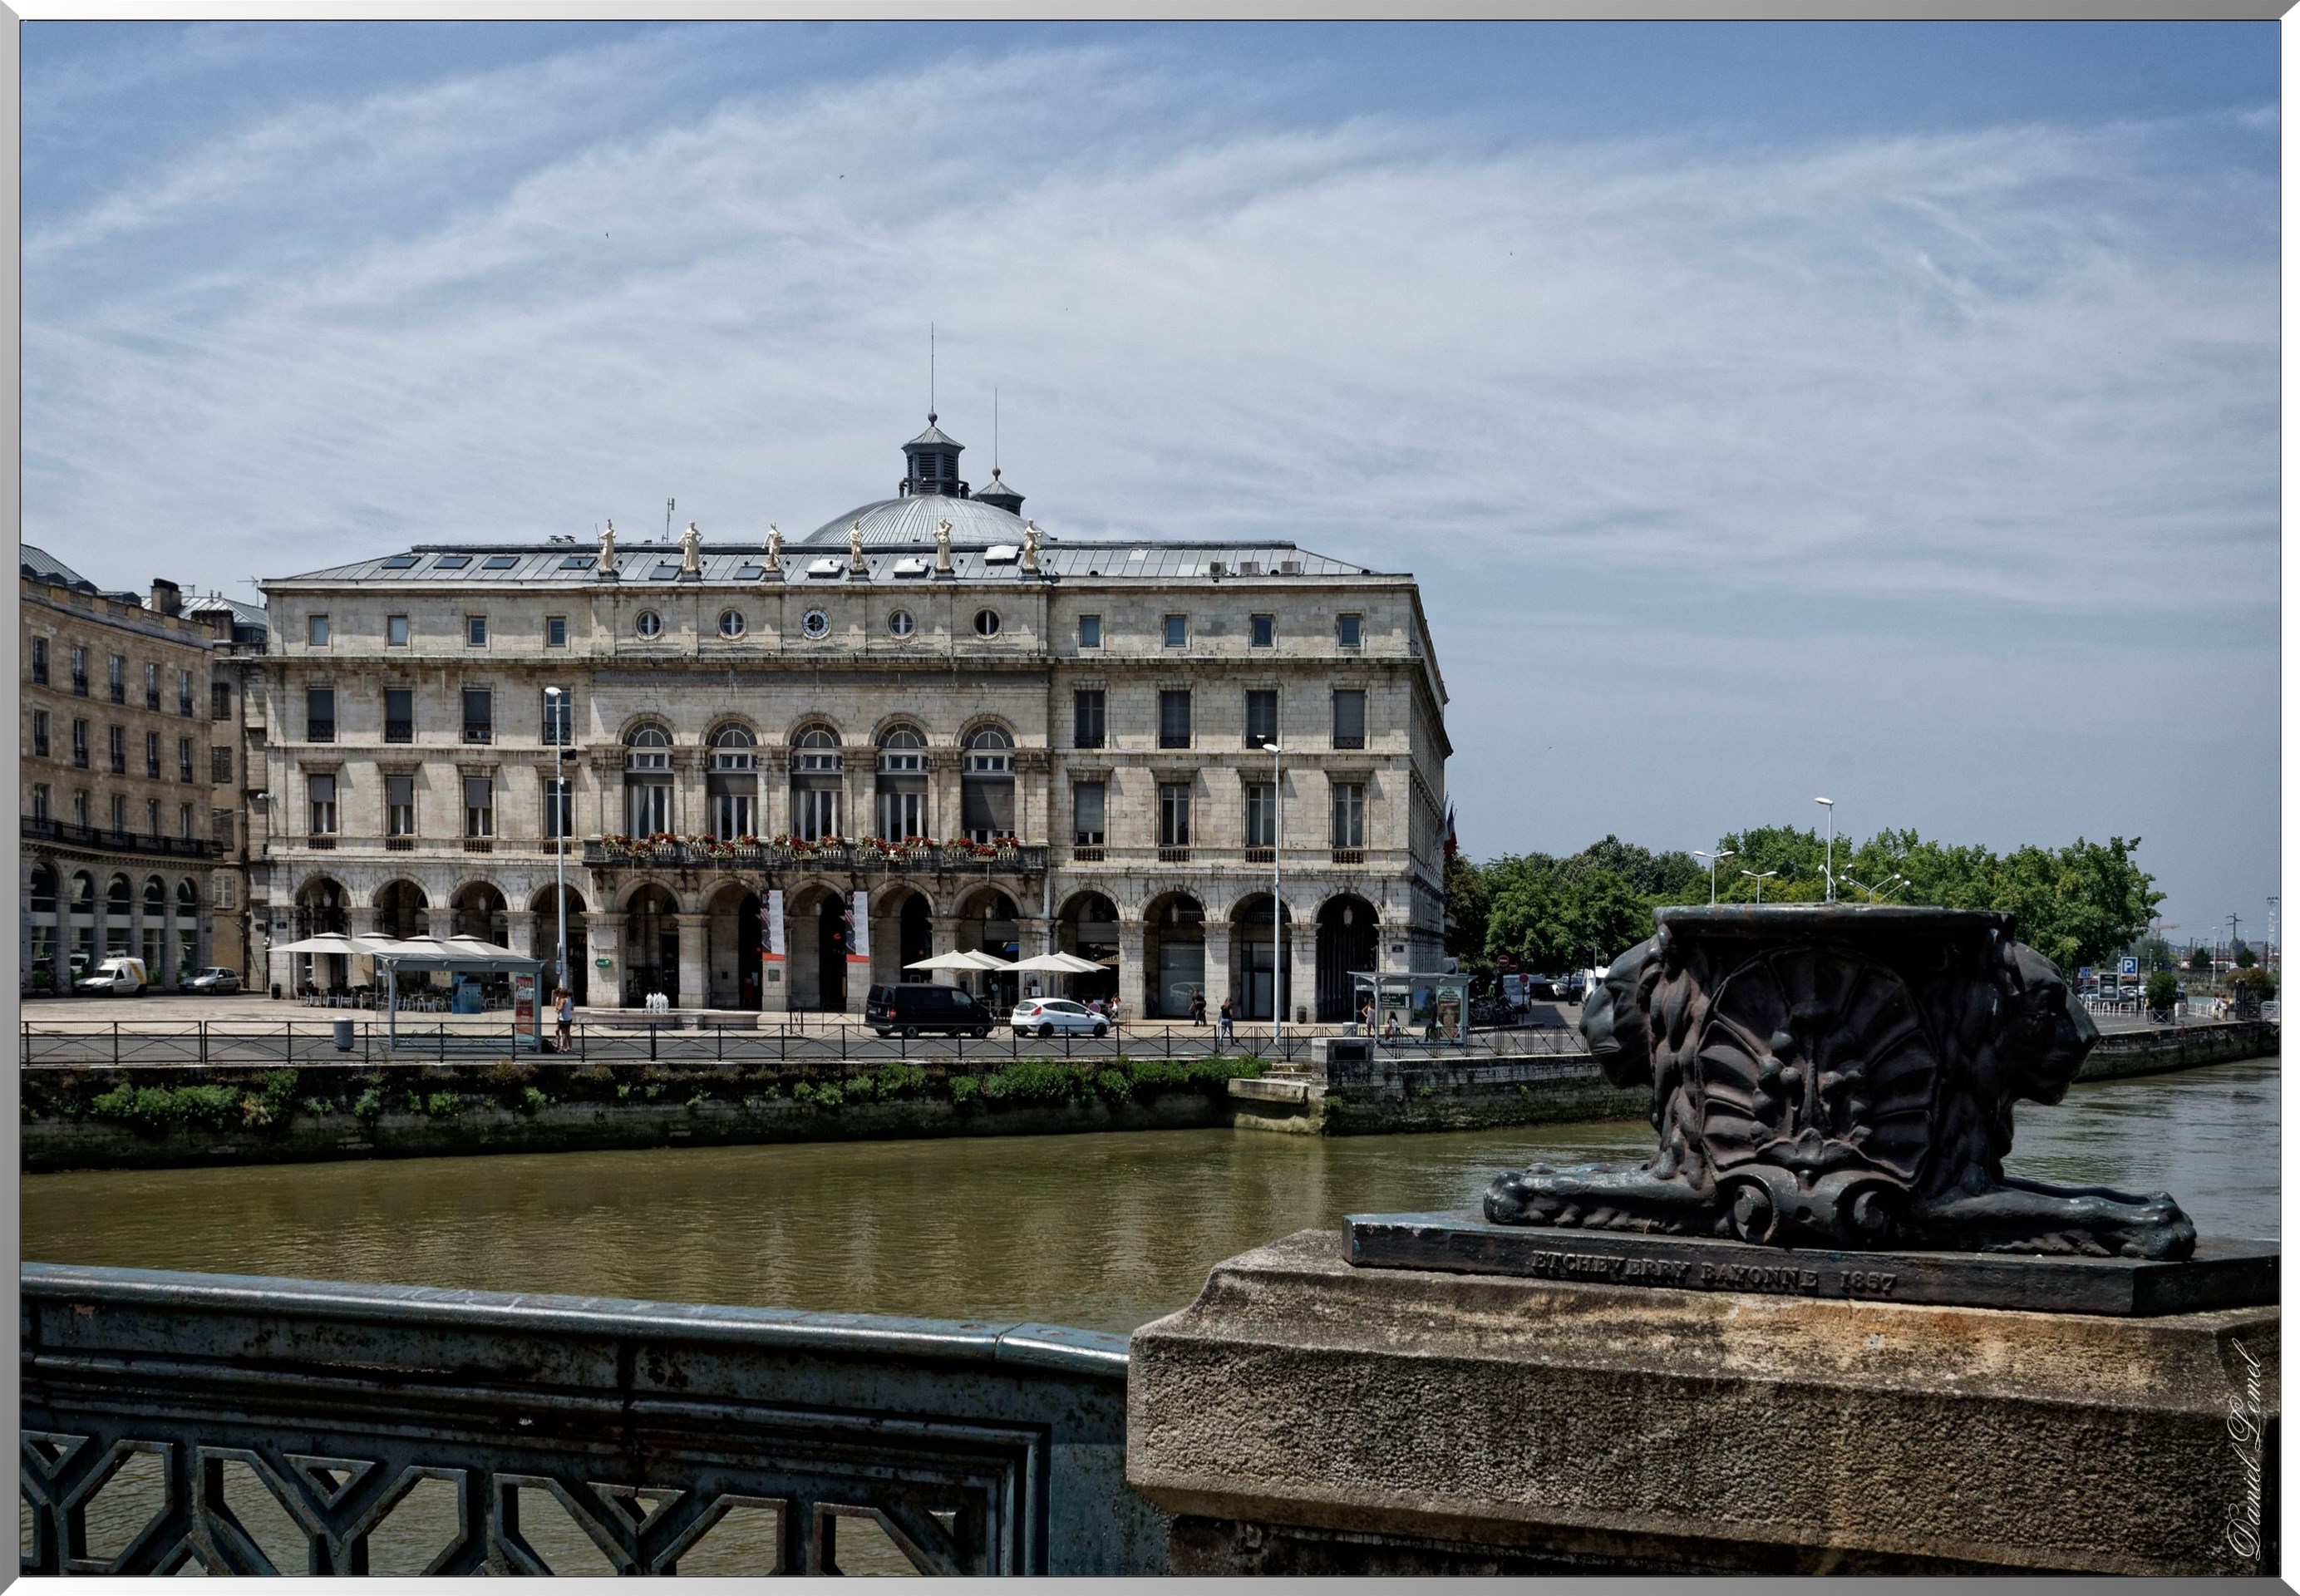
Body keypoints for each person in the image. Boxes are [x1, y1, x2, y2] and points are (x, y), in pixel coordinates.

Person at [554, 986, 574, 1052]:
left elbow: (561, 1009)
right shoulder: (569, 999)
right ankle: (570, 1047)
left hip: (563, 1019)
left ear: (562, 994)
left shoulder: (563, 1000)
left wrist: (557, 1008)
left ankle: (564, 1047)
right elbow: (572, 1008)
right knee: (568, 1033)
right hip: (569, 1018)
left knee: (564, 1034)